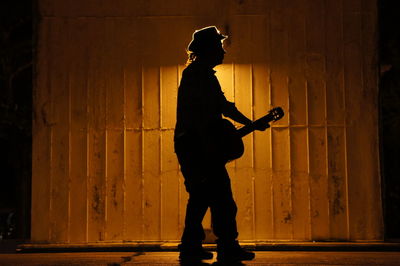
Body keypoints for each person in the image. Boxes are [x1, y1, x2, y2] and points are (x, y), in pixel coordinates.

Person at [174, 26, 267, 263]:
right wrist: (246, 125)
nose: (223, 52)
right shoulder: (198, 76)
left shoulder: (200, 74)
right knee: (219, 198)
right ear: (208, 50)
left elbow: (221, 106)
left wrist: (248, 123)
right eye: (219, 47)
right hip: (198, 148)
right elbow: (212, 112)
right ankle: (225, 247)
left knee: (202, 197)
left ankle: (192, 247)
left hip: (196, 147)